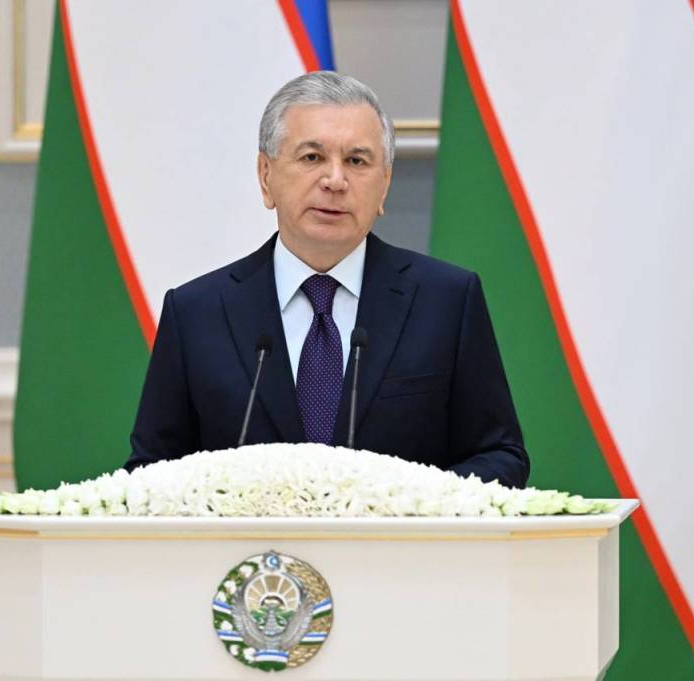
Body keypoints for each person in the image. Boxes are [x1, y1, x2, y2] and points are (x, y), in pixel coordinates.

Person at [124, 71, 529, 488]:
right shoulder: (196, 313)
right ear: (266, 175)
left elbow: (501, 456)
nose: (335, 181)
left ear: (384, 185)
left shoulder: (446, 301)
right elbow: (150, 474)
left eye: (356, 161)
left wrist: (412, 505)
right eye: (312, 157)